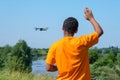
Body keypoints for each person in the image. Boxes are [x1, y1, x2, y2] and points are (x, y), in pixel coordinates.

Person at [46, 7, 103, 80]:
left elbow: (48, 68)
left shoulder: (55, 46)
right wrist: (91, 18)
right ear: (76, 30)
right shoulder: (82, 42)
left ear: (62, 28)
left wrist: (60, 67)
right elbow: (99, 31)